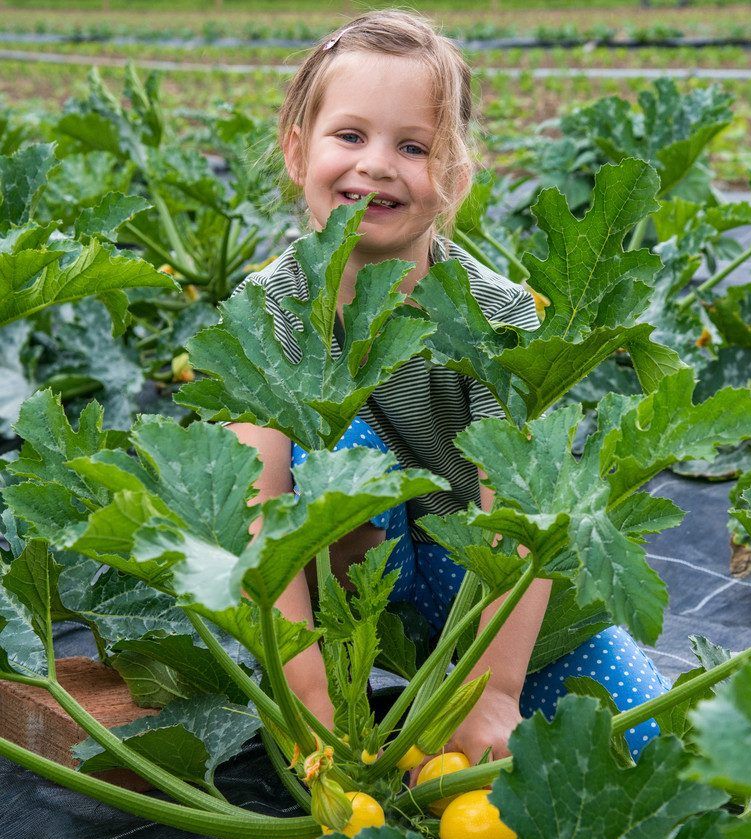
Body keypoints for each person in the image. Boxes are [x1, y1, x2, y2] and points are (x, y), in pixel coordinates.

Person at [228, 10, 670, 766]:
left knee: (644, 740)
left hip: (490, 593)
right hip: (350, 593)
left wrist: (493, 692)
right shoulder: (270, 306)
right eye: (349, 136)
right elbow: (255, 507)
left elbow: (524, 511)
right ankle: (342, 676)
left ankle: (457, 687)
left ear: (455, 178)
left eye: (413, 147)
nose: (375, 166)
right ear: (297, 152)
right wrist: (307, 700)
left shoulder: (497, 314)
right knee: (344, 445)